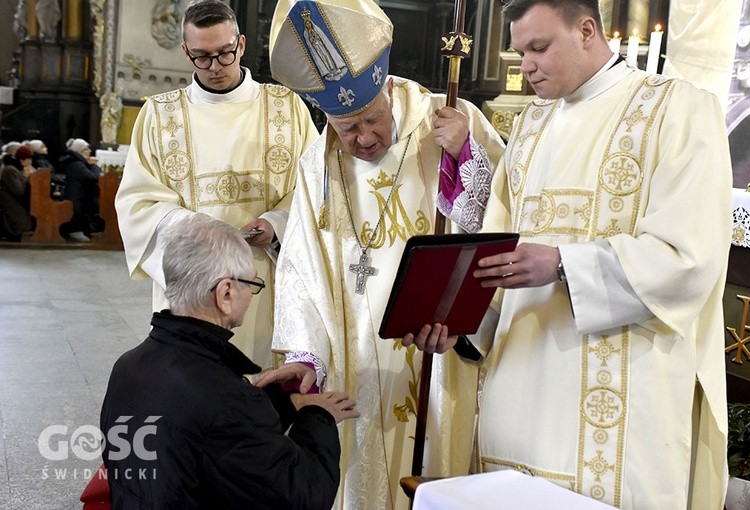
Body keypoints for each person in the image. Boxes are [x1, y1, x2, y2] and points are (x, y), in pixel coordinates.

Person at [429, 1, 732, 508]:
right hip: (518, 393)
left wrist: (565, 264)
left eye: (538, 47)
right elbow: (496, 256)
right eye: (520, 50)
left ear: (587, 29)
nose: (525, 65)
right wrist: (460, 327)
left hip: (623, 408)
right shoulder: (528, 128)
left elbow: (690, 256)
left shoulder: (678, 109)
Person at [258, 0, 506, 508]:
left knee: (436, 458)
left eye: (372, 120)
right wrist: (307, 353)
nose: (364, 138)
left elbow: (503, 226)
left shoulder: (452, 122)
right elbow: (301, 266)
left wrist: (465, 157)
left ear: (388, 89)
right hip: (354, 358)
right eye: (347, 129)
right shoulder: (316, 165)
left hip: (438, 346)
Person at [100, 213, 359, 509]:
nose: (250, 295)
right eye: (251, 283)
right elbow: (304, 497)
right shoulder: (225, 397)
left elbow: (204, 437)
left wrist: (280, 400)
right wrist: (317, 418)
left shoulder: (128, 365)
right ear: (225, 293)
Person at [115, 0, 319, 368]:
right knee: (193, 391)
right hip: (192, 285)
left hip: (267, 279)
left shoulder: (287, 107)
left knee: (262, 390)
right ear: (185, 52)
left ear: (241, 45)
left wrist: (276, 224)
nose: (215, 67)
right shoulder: (159, 115)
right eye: (201, 57)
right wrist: (206, 234)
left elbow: (316, 186)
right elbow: (137, 204)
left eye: (225, 54)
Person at [59, 138, 102, 242]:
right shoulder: (76, 164)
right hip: (76, 198)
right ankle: (76, 231)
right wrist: (94, 166)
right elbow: (92, 178)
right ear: (81, 151)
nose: (90, 151)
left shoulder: (78, 162)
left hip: (80, 195)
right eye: (87, 149)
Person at [0, 143, 35, 241]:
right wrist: (26, 177)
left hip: (17, 203)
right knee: (23, 224)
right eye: (27, 159)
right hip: (12, 203)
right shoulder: (10, 170)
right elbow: (19, 191)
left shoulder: (15, 168)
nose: (29, 161)